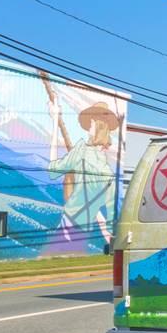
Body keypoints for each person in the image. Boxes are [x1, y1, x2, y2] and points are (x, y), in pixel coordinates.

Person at [47, 97, 119, 251]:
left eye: (91, 124)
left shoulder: (81, 151)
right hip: (83, 234)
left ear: (98, 126)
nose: (88, 128)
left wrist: (54, 123)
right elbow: (111, 215)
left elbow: (53, 170)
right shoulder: (108, 173)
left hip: (66, 228)